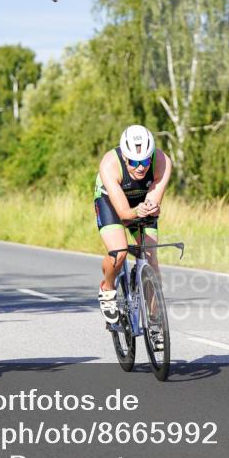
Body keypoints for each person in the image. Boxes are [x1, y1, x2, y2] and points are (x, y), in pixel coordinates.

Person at [93, 124, 172, 327]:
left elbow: (154, 200)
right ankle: (107, 289)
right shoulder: (109, 164)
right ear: (125, 157)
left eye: (145, 161)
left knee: (150, 257)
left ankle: (155, 321)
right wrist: (137, 211)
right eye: (134, 162)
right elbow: (124, 213)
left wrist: (152, 208)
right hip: (111, 201)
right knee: (119, 252)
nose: (140, 167)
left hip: (141, 199)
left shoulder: (162, 161)